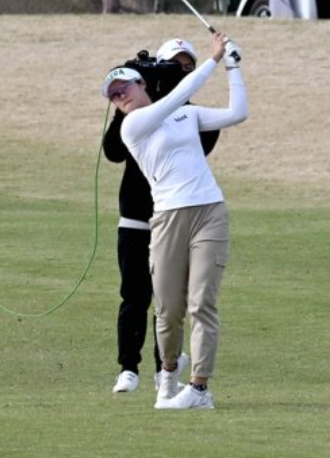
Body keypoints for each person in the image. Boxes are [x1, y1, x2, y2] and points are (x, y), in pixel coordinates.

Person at [100, 33, 247, 409]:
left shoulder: (185, 112)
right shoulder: (131, 126)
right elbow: (178, 97)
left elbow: (237, 113)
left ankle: (199, 389)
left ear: (141, 84)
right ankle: (167, 372)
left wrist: (233, 67)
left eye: (124, 88)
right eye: (114, 95)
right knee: (167, 309)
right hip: (166, 217)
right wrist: (213, 60)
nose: (121, 97)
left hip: (209, 210)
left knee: (202, 304)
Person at [102, 39, 203, 394]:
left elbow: (204, 145)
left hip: (172, 216)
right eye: (172, 65)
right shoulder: (135, 113)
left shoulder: (190, 112)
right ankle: (128, 368)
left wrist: (177, 99)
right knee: (134, 294)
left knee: (168, 298)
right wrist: (123, 97)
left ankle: (166, 369)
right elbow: (113, 151)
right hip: (134, 215)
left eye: (186, 67)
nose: (180, 72)